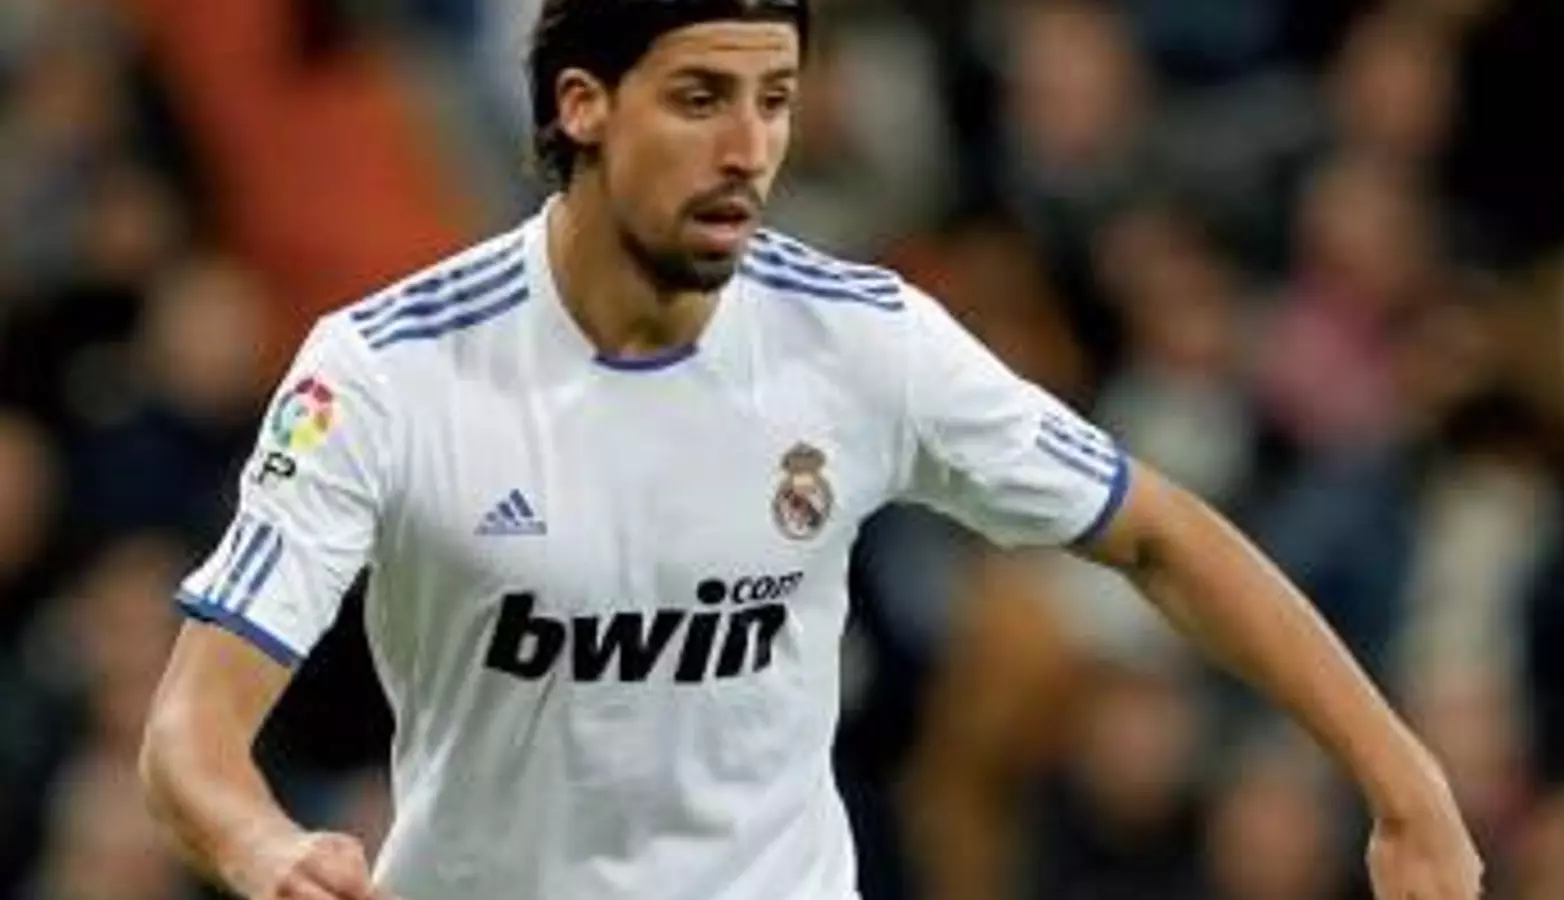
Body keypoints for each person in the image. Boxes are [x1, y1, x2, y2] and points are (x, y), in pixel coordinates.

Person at [137, 2, 1483, 899]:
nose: (750, 148)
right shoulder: (385, 371)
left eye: (775, 99)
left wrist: (1404, 783)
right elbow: (192, 732)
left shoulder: (861, 339)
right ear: (585, 105)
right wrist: (269, 851)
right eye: (702, 98)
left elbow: (1159, 533)